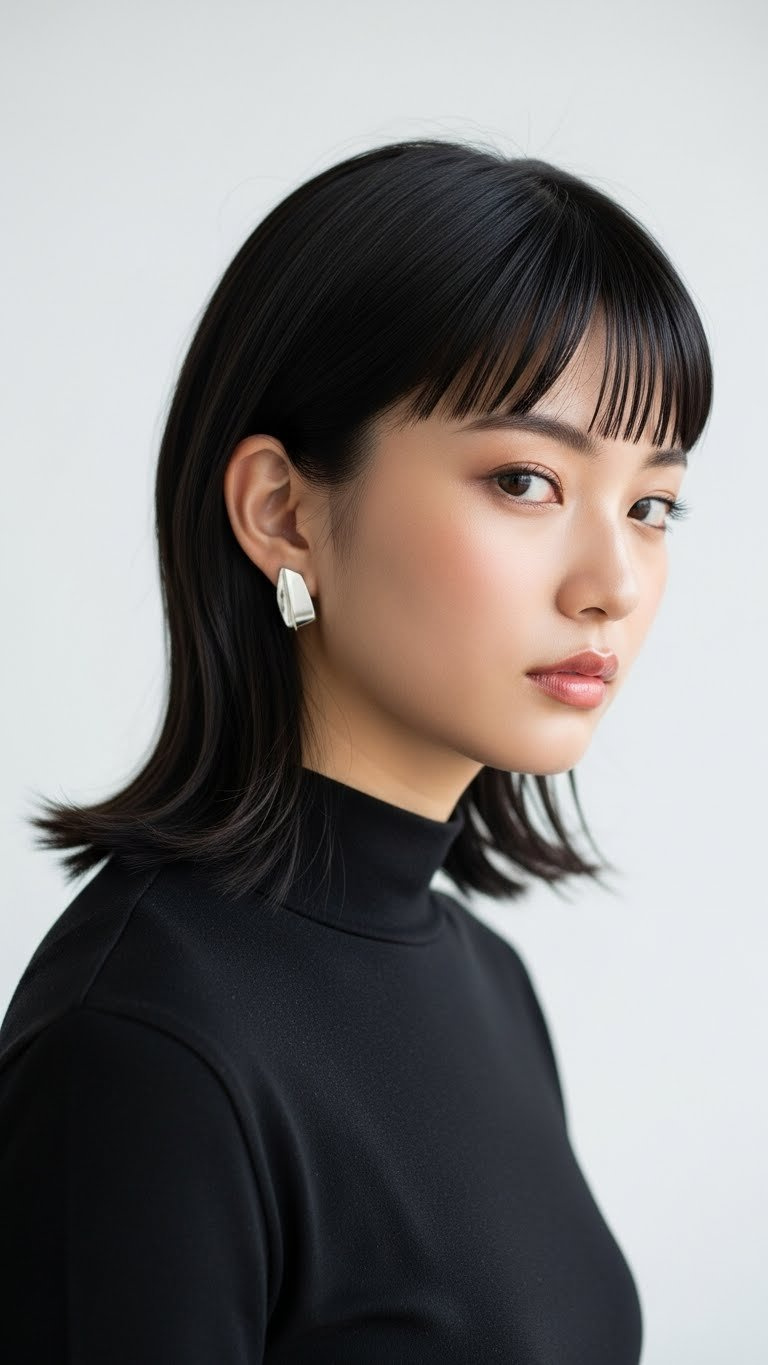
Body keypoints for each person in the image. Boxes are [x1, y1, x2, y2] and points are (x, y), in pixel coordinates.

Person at [0, 138, 712, 1363]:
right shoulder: (138, 1052)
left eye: (651, 504)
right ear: (284, 512)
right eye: (528, 480)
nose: (613, 584)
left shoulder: (487, 979)